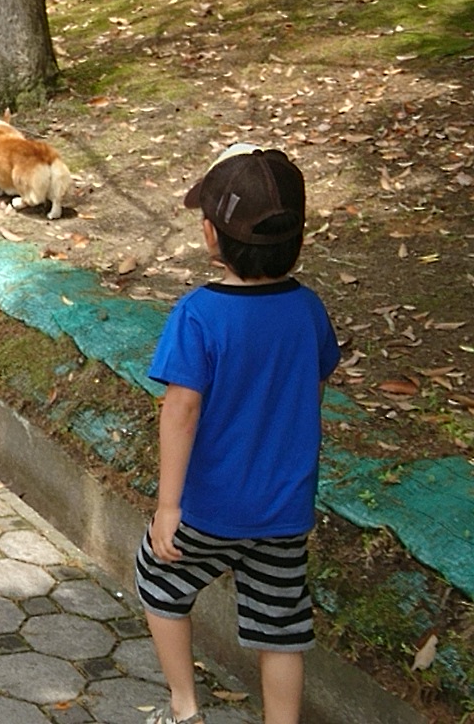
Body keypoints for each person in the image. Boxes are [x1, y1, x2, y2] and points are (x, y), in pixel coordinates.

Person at [136, 143, 339, 724]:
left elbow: (181, 409)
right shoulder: (309, 310)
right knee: (281, 629)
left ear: (210, 236)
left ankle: (184, 707)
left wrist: (168, 504)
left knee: (160, 580)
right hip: (284, 508)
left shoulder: (199, 315)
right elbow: (314, 388)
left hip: (207, 507)